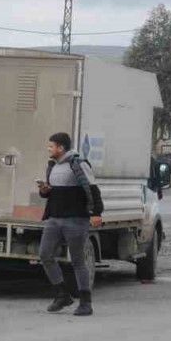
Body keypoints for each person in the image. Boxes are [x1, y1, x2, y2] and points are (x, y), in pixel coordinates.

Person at [37, 132, 103, 316]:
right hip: (54, 219)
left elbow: (93, 189)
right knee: (45, 255)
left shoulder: (78, 164)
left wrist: (96, 213)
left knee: (77, 261)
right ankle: (62, 295)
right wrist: (44, 191)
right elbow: (52, 193)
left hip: (76, 219)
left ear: (61, 148)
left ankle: (85, 303)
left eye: (51, 146)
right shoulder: (52, 166)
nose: (49, 149)